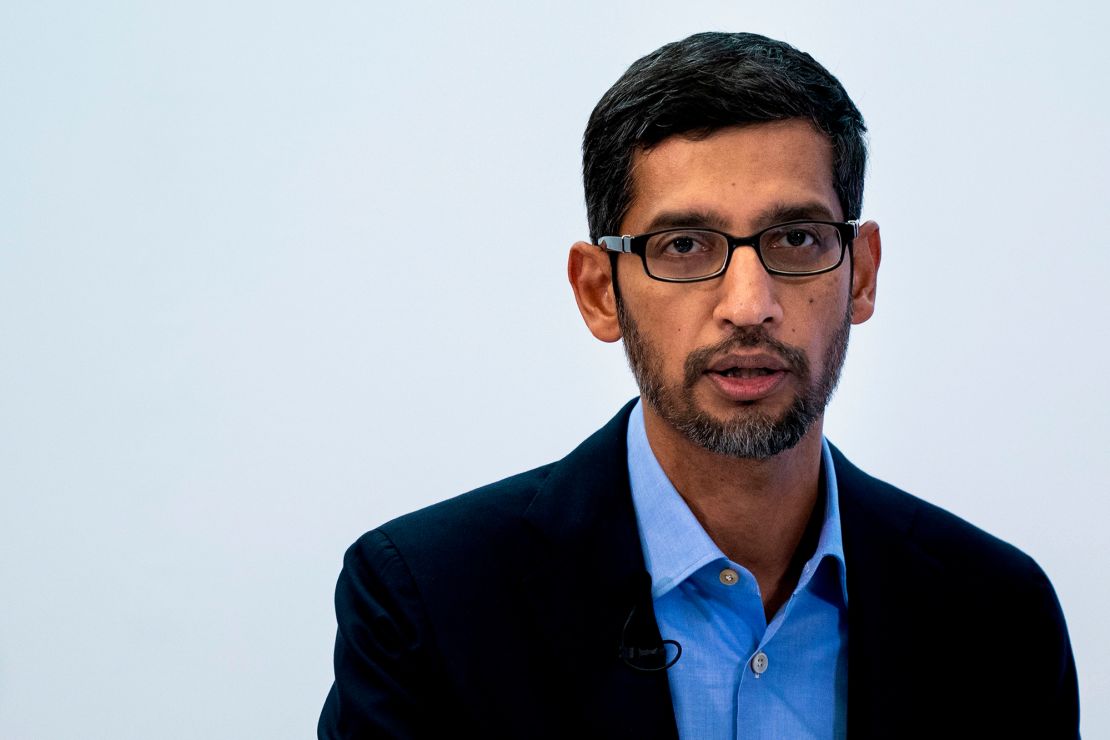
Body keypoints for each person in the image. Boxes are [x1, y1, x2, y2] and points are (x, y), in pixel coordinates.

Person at [318, 32, 1079, 739]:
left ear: (862, 275)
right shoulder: (429, 603)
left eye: (797, 239)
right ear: (598, 291)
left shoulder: (998, 615)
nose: (749, 306)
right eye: (683, 245)